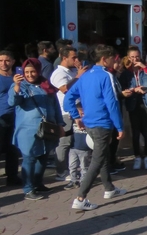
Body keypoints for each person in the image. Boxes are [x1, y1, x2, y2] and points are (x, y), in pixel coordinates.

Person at [63, 44, 127, 211]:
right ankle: (80, 198)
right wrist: (120, 126)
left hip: (90, 123)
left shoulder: (85, 76)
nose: (115, 61)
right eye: (113, 58)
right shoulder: (106, 76)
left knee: (102, 154)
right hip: (102, 123)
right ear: (105, 59)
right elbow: (111, 102)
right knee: (98, 160)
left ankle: (109, 189)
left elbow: (68, 98)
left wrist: (76, 116)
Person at [8, 58, 64, 200]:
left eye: (33, 71)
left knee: (43, 156)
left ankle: (38, 183)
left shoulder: (46, 86)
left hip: (47, 127)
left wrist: (60, 124)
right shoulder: (21, 86)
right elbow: (13, 101)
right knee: (30, 158)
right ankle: (28, 188)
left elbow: (55, 106)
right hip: (28, 129)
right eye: (26, 72)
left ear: (38, 71)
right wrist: (16, 86)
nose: (30, 75)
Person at [50, 46, 88, 181]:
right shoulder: (58, 73)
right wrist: (78, 76)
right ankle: (60, 171)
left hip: (77, 111)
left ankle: (73, 169)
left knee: (74, 142)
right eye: (73, 57)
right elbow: (65, 89)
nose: (76, 59)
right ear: (64, 58)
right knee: (64, 142)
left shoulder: (71, 71)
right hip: (65, 112)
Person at [120, 47, 147, 170]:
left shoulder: (146, 68)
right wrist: (133, 89)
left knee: (146, 131)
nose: (135, 59)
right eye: (132, 57)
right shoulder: (126, 72)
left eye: (137, 56)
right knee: (135, 132)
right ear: (128, 57)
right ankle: (137, 156)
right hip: (133, 102)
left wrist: (144, 68)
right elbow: (122, 88)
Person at [0, 50, 21, 186]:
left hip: (17, 117)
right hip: (1, 118)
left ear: (13, 61)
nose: (3, 63)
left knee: (13, 149)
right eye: (1, 61)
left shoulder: (17, 77)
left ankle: (12, 177)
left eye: (7, 60)